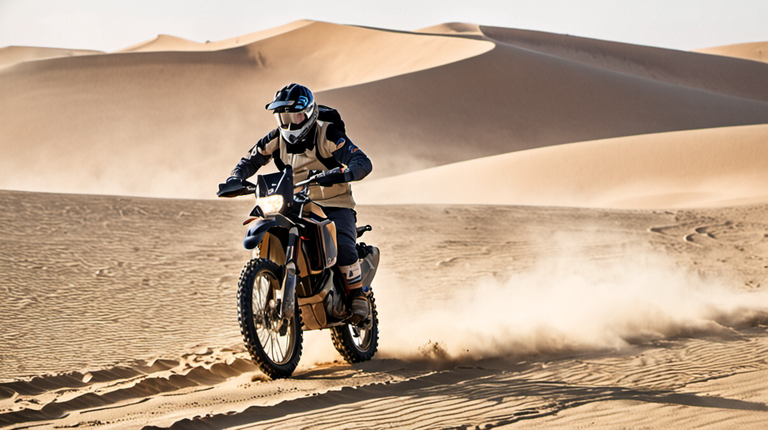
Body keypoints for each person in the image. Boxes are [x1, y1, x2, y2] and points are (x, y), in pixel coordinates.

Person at [222, 83, 373, 324]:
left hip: (334, 203)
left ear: (310, 113)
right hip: (293, 203)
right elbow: (250, 159)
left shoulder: (328, 134)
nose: (290, 124)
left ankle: (358, 294)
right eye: (284, 117)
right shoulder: (275, 139)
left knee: (342, 242)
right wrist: (235, 178)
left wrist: (345, 172)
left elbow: (360, 159)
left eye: (296, 115)